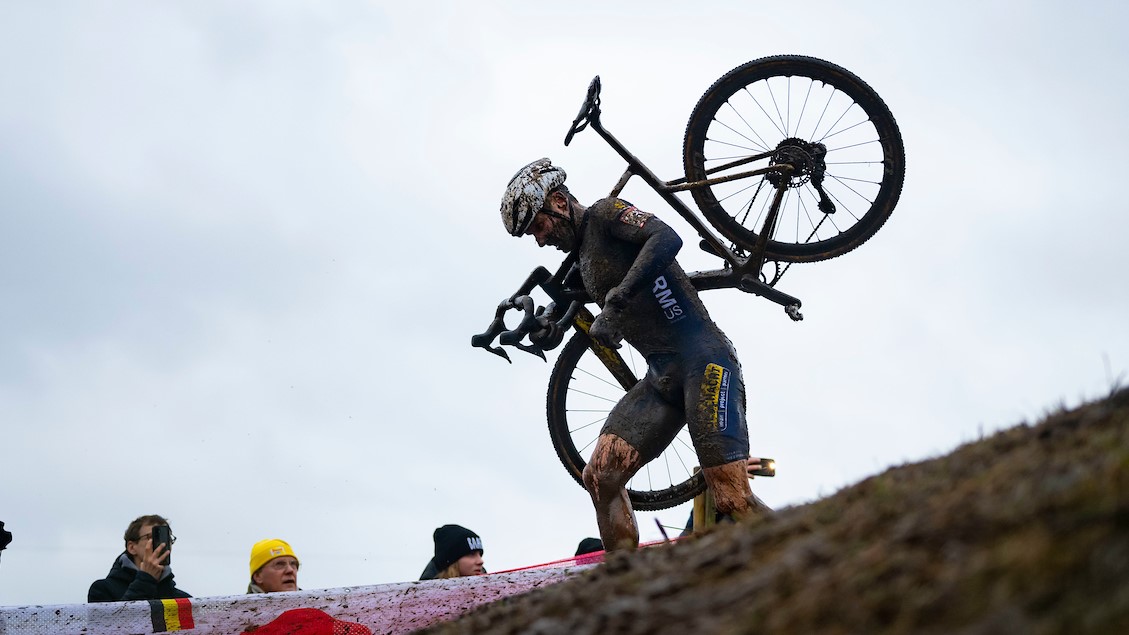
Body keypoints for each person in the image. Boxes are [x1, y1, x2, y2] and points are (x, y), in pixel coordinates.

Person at [499, 158, 769, 551]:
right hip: (662, 378)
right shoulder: (581, 264)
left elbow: (666, 237)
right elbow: (563, 319)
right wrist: (545, 329)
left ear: (558, 202)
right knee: (600, 476)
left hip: (704, 361)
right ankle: (623, 582)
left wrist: (616, 302)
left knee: (730, 497)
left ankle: (823, 556)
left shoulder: (606, 215)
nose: (540, 240)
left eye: (538, 227)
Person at [88, 514, 191, 602]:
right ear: (132, 547)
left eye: (166, 538)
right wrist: (146, 579)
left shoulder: (183, 600)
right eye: (151, 537)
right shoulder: (102, 590)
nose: (161, 544)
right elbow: (117, 624)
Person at [419, 524, 485, 580]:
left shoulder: (491, 591)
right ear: (452, 561)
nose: (481, 561)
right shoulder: (421, 594)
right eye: (471, 554)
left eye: (480, 555)